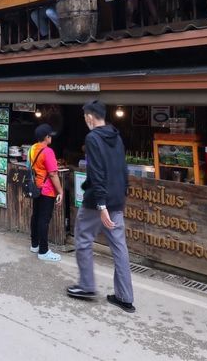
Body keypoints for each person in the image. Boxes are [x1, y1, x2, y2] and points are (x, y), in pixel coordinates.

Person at [67, 100, 135, 313]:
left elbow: (96, 172)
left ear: (90, 116)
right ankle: (125, 297)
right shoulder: (116, 136)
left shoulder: (93, 138)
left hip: (97, 202)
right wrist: (123, 194)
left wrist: (101, 204)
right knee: (119, 246)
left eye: (84, 116)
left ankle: (86, 286)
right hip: (117, 198)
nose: (84, 120)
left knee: (83, 238)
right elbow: (123, 168)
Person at [28, 123, 64, 262]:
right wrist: (60, 191)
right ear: (46, 137)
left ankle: (35, 245)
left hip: (36, 187)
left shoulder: (32, 148)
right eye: (50, 136)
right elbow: (53, 174)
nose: (51, 138)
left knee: (36, 216)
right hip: (47, 190)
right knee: (44, 220)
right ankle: (43, 251)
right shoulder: (48, 151)